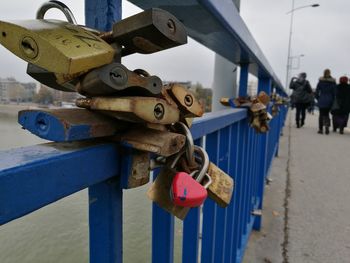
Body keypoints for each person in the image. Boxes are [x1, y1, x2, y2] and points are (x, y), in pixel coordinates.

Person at [315, 69, 336, 134]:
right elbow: (335, 93)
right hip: (330, 100)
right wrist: (333, 100)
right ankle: (327, 127)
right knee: (327, 114)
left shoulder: (320, 81)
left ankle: (321, 129)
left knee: (321, 114)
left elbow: (316, 92)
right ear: (330, 73)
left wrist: (318, 98)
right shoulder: (333, 82)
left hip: (322, 99)